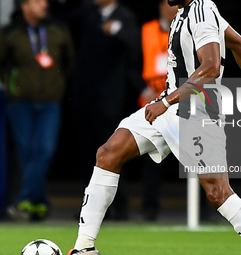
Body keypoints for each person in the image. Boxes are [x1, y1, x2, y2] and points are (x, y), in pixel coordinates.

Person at [68, 0, 241, 254]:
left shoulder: (201, 10)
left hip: (197, 111)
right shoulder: (190, 11)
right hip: (171, 105)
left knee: (218, 192)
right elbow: (239, 44)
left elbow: (211, 67)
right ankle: (83, 248)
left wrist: (167, 101)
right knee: (108, 153)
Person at [66, 0, 156, 220]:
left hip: (109, 98)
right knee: (88, 154)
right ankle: (90, 208)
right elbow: (64, 22)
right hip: (84, 95)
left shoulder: (124, 16)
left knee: (112, 153)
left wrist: (116, 30)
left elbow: (135, 46)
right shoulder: (87, 13)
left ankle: (120, 206)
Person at [0, 0, 75, 221]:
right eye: (38, 1)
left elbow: (69, 61)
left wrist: (58, 85)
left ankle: (24, 200)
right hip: (20, 102)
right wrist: (12, 84)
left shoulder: (57, 29)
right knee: (27, 152)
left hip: (50, 102)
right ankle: (39, 204)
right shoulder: (11, 32)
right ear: (25, 5)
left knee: (45, 150)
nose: (44, 5)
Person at [139, 0, 177, 221]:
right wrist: (143, 89)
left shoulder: (187, 29)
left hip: (180, 103)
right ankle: (149, 209)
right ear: (161, 6)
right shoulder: (146, 31)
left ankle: (204, 210)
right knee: (151, 159)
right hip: (151, 104)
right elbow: (133, 62)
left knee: (196, 157)